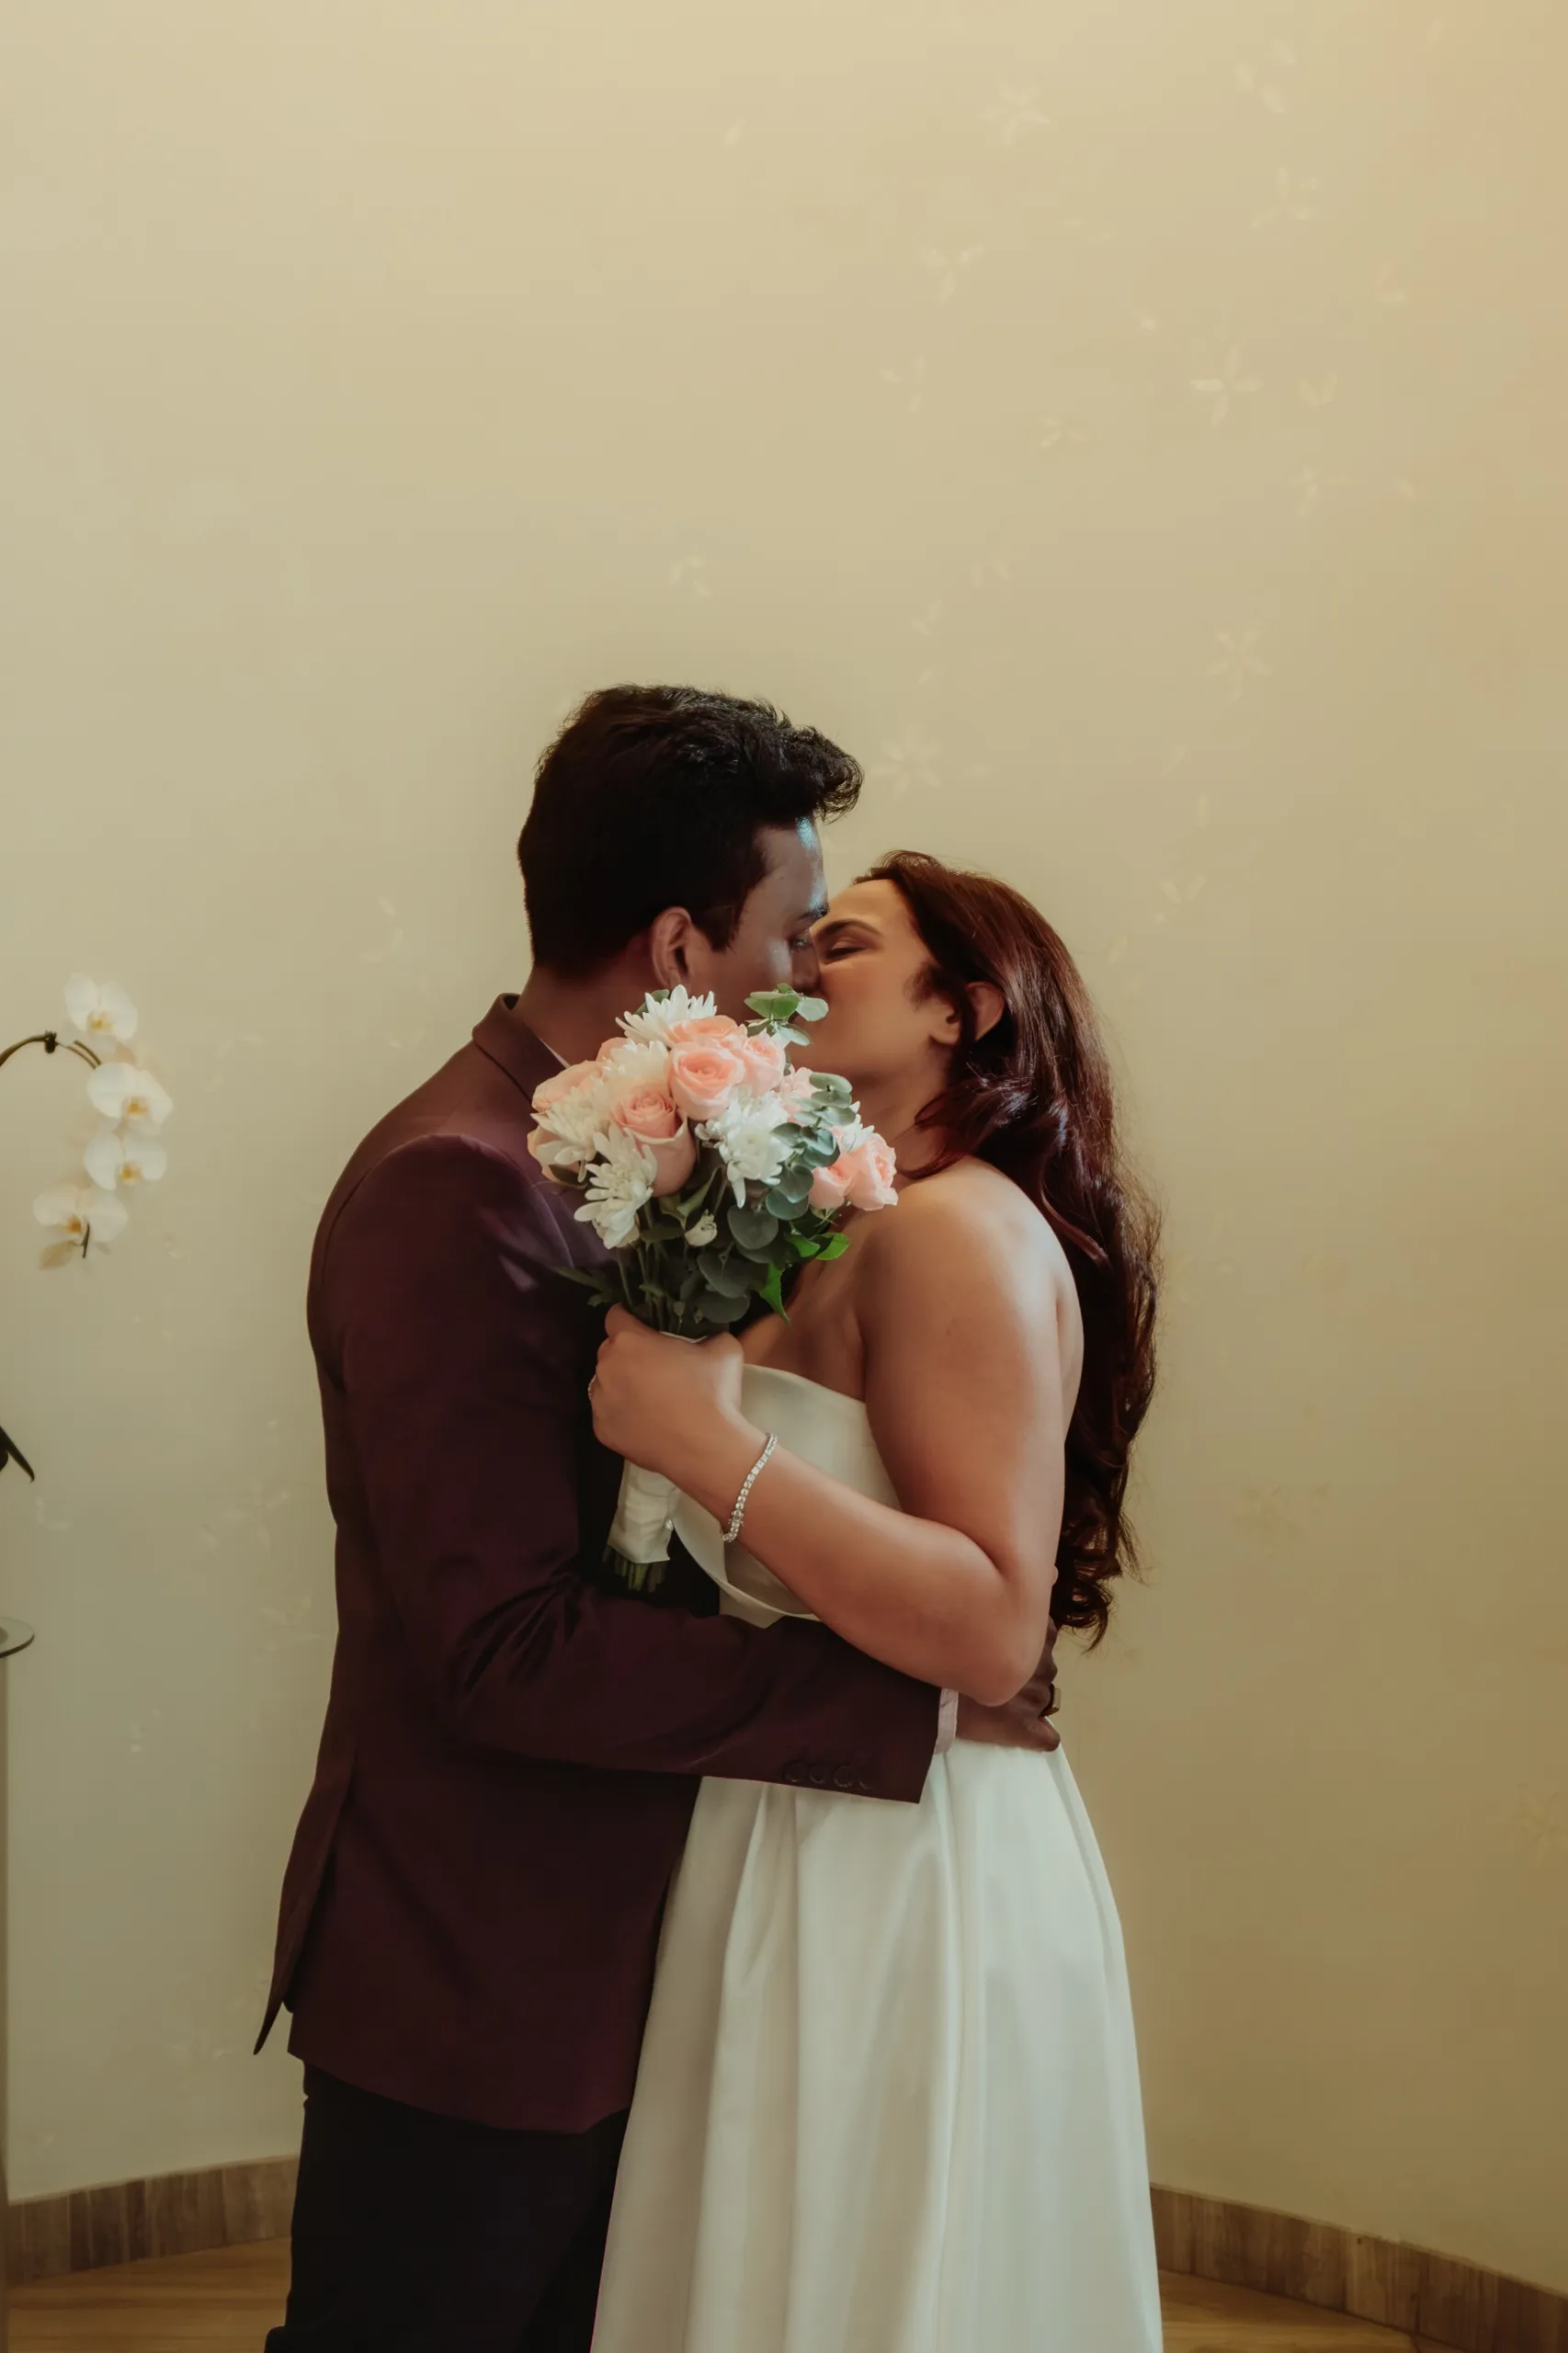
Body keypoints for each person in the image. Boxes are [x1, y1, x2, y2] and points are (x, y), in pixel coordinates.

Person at [256, 690, 1061, 2352]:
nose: (800, 983)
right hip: (485, 1968)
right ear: (683, 945)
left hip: (667, 1947)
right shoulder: (458, 1182)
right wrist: (900, 1706)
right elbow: (504, 1650)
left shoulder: (661, 1160)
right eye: (790, 936)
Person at [586, 849, 1163, 2353]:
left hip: (899, 1855)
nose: (796, 970)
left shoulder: (955, 1229)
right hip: (777, 1809)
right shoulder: (829, 1221)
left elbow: (991, 1626)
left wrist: (707, 1451)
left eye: (841, 943)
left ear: (960, 1011)